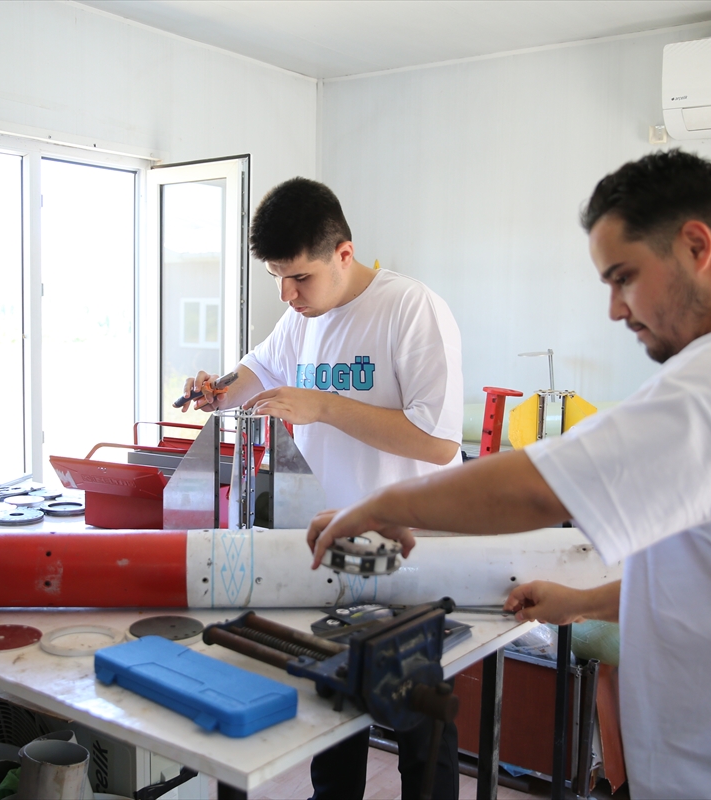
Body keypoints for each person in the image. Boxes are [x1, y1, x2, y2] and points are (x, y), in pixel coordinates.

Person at [306, 150, 711, 799]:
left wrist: (383, 505)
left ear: (696, 245)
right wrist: (588, 602)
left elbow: (538, 487)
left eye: (624, 277)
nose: (616, 309)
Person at [180, 177, 465, 799]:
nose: (288, 295)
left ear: (344, 253)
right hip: (328, 544)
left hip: (407, 554)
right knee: (335, 710)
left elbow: (438, 441)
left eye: (300, 278)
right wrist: (220, 391)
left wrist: (325, 406)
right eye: (278, 278)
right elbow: (259, 372)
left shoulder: (411, 309)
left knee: (420, 726)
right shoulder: (299, 316)